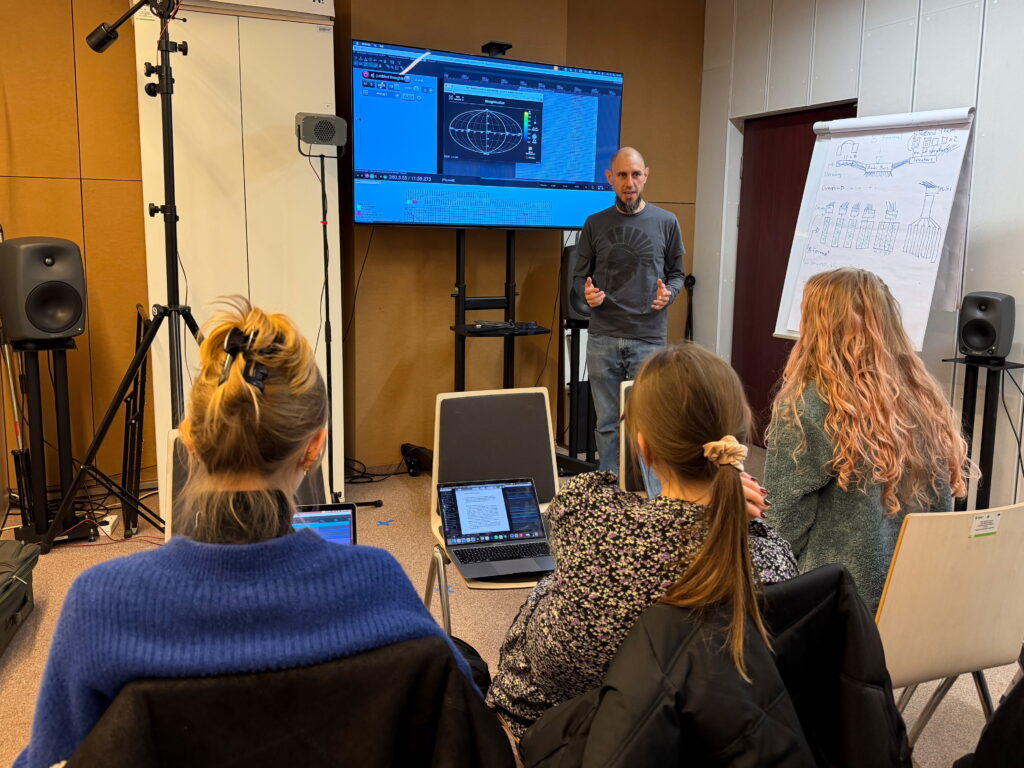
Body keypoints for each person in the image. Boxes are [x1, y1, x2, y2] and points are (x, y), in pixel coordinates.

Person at [15, 298, 503, 768]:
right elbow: (458, 718)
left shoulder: (100, 604)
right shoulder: (379, 583)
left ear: (189, 439)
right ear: (314, 447)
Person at [486, 342, 798, 739]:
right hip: (695, 740)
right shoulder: (770, 560)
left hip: (561, 731)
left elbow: (553, 668)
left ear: (645, 449)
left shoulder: (590, 515)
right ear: (736, 442)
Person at [764, 268, 969, 612]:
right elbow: (941, 513)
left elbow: (782, 526)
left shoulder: (808, 404)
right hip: (916, 599)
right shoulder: (923, 399)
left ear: (819, 326)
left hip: (835, 606)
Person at [573, 147, 686, 472]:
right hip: (603, 337)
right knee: (607, 423)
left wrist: (669, 294)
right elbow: (579, 277)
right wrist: (587, 293)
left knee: (649, 422)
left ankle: (650, 495)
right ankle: (610, 490)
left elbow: (677, 274)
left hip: (648, 337)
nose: (629, 182)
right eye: (622, 175)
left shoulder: (667, 222)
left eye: (636, 174)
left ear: (646, 175)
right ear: (610, 178)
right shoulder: (594, 223)